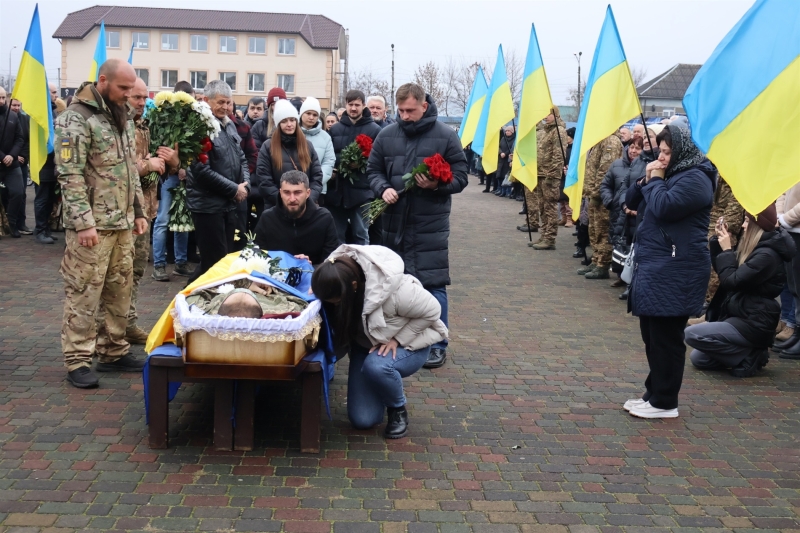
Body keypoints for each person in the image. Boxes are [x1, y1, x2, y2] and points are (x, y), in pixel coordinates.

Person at [54, 58, 149, 388]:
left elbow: (129, 169)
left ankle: (113, 350)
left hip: (121, 223)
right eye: (123, 88)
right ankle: (77, 358)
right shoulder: (76, 119)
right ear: (103, 80)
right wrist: (83, 223)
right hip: (92, 226)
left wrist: (138, 212)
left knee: (119, 290)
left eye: (131, 89)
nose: (128, 94)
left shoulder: (122, 116)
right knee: (84, 292)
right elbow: (69, 174)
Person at [367, 83, 468, 369]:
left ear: (424, 106)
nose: (405, 115)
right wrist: (382, 187)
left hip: (429, 224)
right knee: (394, 283)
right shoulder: (387, 135)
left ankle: (438, 342)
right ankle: (397, 337)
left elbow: (461, 176)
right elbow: (372, 170)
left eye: (410, 110)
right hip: (393, 221)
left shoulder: (446, 136)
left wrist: (438, 184)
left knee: (433, 283)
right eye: (400, 110)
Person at [623, 124, 715, 418]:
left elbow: (664, 207)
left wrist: (656, 180)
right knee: (652, 335)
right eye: (660, 152)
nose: (660, 158)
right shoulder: (670, 175)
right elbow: (630, 202)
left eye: (666, 152)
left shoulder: (697, 179)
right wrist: (644, 180)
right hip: (656, 266)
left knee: (667, 339)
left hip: (677, 269)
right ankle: (653, 393)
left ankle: (665, 402)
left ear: (681, 153)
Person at [312, 246, 448, 438]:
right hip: (366, 346)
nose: (334, 304)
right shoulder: (335, 276)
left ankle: (397, 409)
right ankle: (381, 385)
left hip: (409, 344)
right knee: (363, 420)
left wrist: (397, 339)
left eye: (336, 300)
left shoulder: (396, 291)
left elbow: (434, 310)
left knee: (377, 366)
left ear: (353, 285)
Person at [685, 205, 793, 377]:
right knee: (699, 359)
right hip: (742, 311)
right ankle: (747, 353)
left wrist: (728, 250)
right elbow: (726, 272)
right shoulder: (756, 248)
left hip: (756, 319)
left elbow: (731, 281)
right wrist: (718, 244)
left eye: (747, 221)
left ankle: (753, 353)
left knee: (692, 334)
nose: (743, 225)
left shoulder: (767, 256)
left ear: (757, 226)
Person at [185, 79, 250, 283]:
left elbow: (241, 157)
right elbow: (201, 171)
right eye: (220, 102)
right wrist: (234, 189)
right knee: (212, 262)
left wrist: (245, 184)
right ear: (207, 100)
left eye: (228, 103)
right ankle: (185, 300)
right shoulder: (199, 127)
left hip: (228, 205)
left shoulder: (228, 125)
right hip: (208, 206)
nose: (225, 107)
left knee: (223, 261)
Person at [125, 77, 173, 344]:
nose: (142, 103)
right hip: (123, 213)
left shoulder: (144, 126)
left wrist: (167, 159)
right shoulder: (117, 127)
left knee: (136, 270)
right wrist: (150, 164)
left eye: (145, 97)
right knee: (118, 275)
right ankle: (110, 330)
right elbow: (120, 169)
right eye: (136, 97)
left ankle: (128, 323)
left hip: (144, 209)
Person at [151, 82, 195, 282]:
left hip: (187, 178)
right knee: (163, 220)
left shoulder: (193, 121)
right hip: (170, 177)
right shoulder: (164, 121)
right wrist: (176, 167)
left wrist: (188, 167)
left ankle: (181, 263)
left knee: (182, 222)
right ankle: (159, 265)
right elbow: (160, 150)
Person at [326, 90, 382, 245]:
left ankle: (362, 268)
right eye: (350, 104)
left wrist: (362, 163)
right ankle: (337, 267)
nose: (353, 108)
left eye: (357, 104)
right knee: (337, 236)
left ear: (364, 106)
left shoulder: (375, 130)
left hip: (362, 192)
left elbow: (378, 159)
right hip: (337, 191)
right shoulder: (335, 130)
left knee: (361, 234)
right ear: (345, 105)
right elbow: (329, 155)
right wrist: (339, 164)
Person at [253, 171, 340, 265]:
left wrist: (310, 268)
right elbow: (255, 256)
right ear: (280, 193)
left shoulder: (323, 218)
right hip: (275, 275)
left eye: (297, 193)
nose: (292, 199)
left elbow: (332, 261)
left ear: (308, 193)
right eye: (287, 193)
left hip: (314, 276)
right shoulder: (268, 218)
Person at [255, 99, 323, 209]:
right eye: (284, 121)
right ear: (278, 124)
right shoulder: (268, 147)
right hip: (276, 208)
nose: (289, 124)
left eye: (292, 120)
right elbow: (264, 181)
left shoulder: (307, 146)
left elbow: (317, 177)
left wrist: (306, 200)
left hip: (304, 208)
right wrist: (285, 200)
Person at [577, 133, 623, 279]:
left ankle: (603, 264)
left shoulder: (611, 141)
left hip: (602, 196)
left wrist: (596, 193)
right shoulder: (598, 139)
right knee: (593, 230)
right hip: (593, 194)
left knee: (603, 230)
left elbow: (605, 170)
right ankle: (596, 260)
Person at [602, 138, 642, 274]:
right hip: (618, 212)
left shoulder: (644, 166)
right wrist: (610, 201)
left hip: (634, 214)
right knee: (618, 242)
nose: (633, 151)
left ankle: (629, 277)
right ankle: (620, 275)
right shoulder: (616, 165)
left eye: (637, 148)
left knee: (632, 245)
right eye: (631, 147)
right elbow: (605, 185)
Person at [530, 108, 567, 250]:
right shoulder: (546, 130)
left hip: (549, 175)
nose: (545, 117)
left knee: (550, 207)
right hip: (540, 173)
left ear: (555, 114)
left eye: (548, 114)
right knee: (542, 206)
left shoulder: (558, 131)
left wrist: (552, 175)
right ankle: (543, 234)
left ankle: (550, 238)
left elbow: (559, 155)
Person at [774, 183, 800, 358]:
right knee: (794, 286)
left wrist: (785, 219)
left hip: (794, 226)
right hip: (789, 229)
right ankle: (797, 331)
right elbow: (783, 188)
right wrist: (779, 215)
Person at [227, 100, 258, 235]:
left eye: (228, 103)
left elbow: (251, 156)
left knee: (239, 230)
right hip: (216, 188)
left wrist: (243, 177)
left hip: (240, 186)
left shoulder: (243, 128)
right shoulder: (207, 127)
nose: (225, 107)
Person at [0, 87, 26, 238]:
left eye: (3, 98)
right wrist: (3, 156)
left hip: (12, 163)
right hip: (2, 159)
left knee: (18, 192)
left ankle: (12, 224)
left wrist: (12, 155)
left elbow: (20, 138)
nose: (1, 101)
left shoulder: (13, 116)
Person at [299, 97, 335, 198]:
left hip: (317, 190)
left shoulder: (325, 137)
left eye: (315, 115)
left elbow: (329, 162)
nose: (311, 117)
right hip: (293, 189)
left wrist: (316, 183)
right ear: (302, 113)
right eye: (308, 113)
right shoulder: (292, 133)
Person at [7, 99, 32, 235]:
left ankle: (20, 223)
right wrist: (13, 155)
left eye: (18, 105)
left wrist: (21, 156)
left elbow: (25, 139)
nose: (16, 108)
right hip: (7, 160)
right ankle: (8, 224)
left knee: (21, 194)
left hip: (20, 162)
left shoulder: (24, 119)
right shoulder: (5, 119)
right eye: (14, 105)